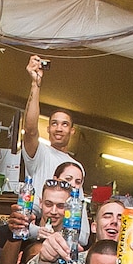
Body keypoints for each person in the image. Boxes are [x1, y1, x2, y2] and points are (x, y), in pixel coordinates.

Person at [19, 55, 79, 184]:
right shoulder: (39, 152)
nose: (58, 128)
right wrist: (35, 84)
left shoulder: (76, 167)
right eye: (54, 123)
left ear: (72, 130)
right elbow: (30, 130)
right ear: (48, 129)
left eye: (64, 124)